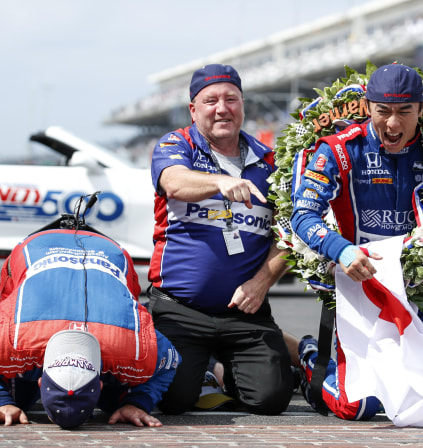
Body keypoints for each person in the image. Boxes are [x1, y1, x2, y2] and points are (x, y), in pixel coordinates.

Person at [291, 63, 423, 421]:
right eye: (383, 111)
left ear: (421, 109)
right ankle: (313, 358)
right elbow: (302, 215)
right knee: (358, 407)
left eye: (404, 112)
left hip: (419, 289)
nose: (392, 124)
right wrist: (342, 250)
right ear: (367, 106)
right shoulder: (339, 150)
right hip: (361, 285)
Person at [148, 64, 293, 415]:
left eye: (231, 99)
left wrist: (261, 284)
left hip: (245, 311)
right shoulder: (175, 144)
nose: (222, 108)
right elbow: (174, 183)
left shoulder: (272, 162)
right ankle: (209, 371)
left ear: (243, 106)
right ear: (193, 109)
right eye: (210, 100)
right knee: (173, 401)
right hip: (180, 309)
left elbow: (290, 235)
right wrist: (219, 182)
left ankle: (238, 366)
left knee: (270, 400)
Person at [0, 222, 179, 428]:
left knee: (17, 398)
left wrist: (3, 401)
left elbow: (170, 359)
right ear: (100, 384)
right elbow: (170, 359)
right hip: (100, 250)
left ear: (41, 383)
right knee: (17, 399)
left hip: (48, 247)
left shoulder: (12, 341)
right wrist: (138, 403)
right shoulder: (128, 347)